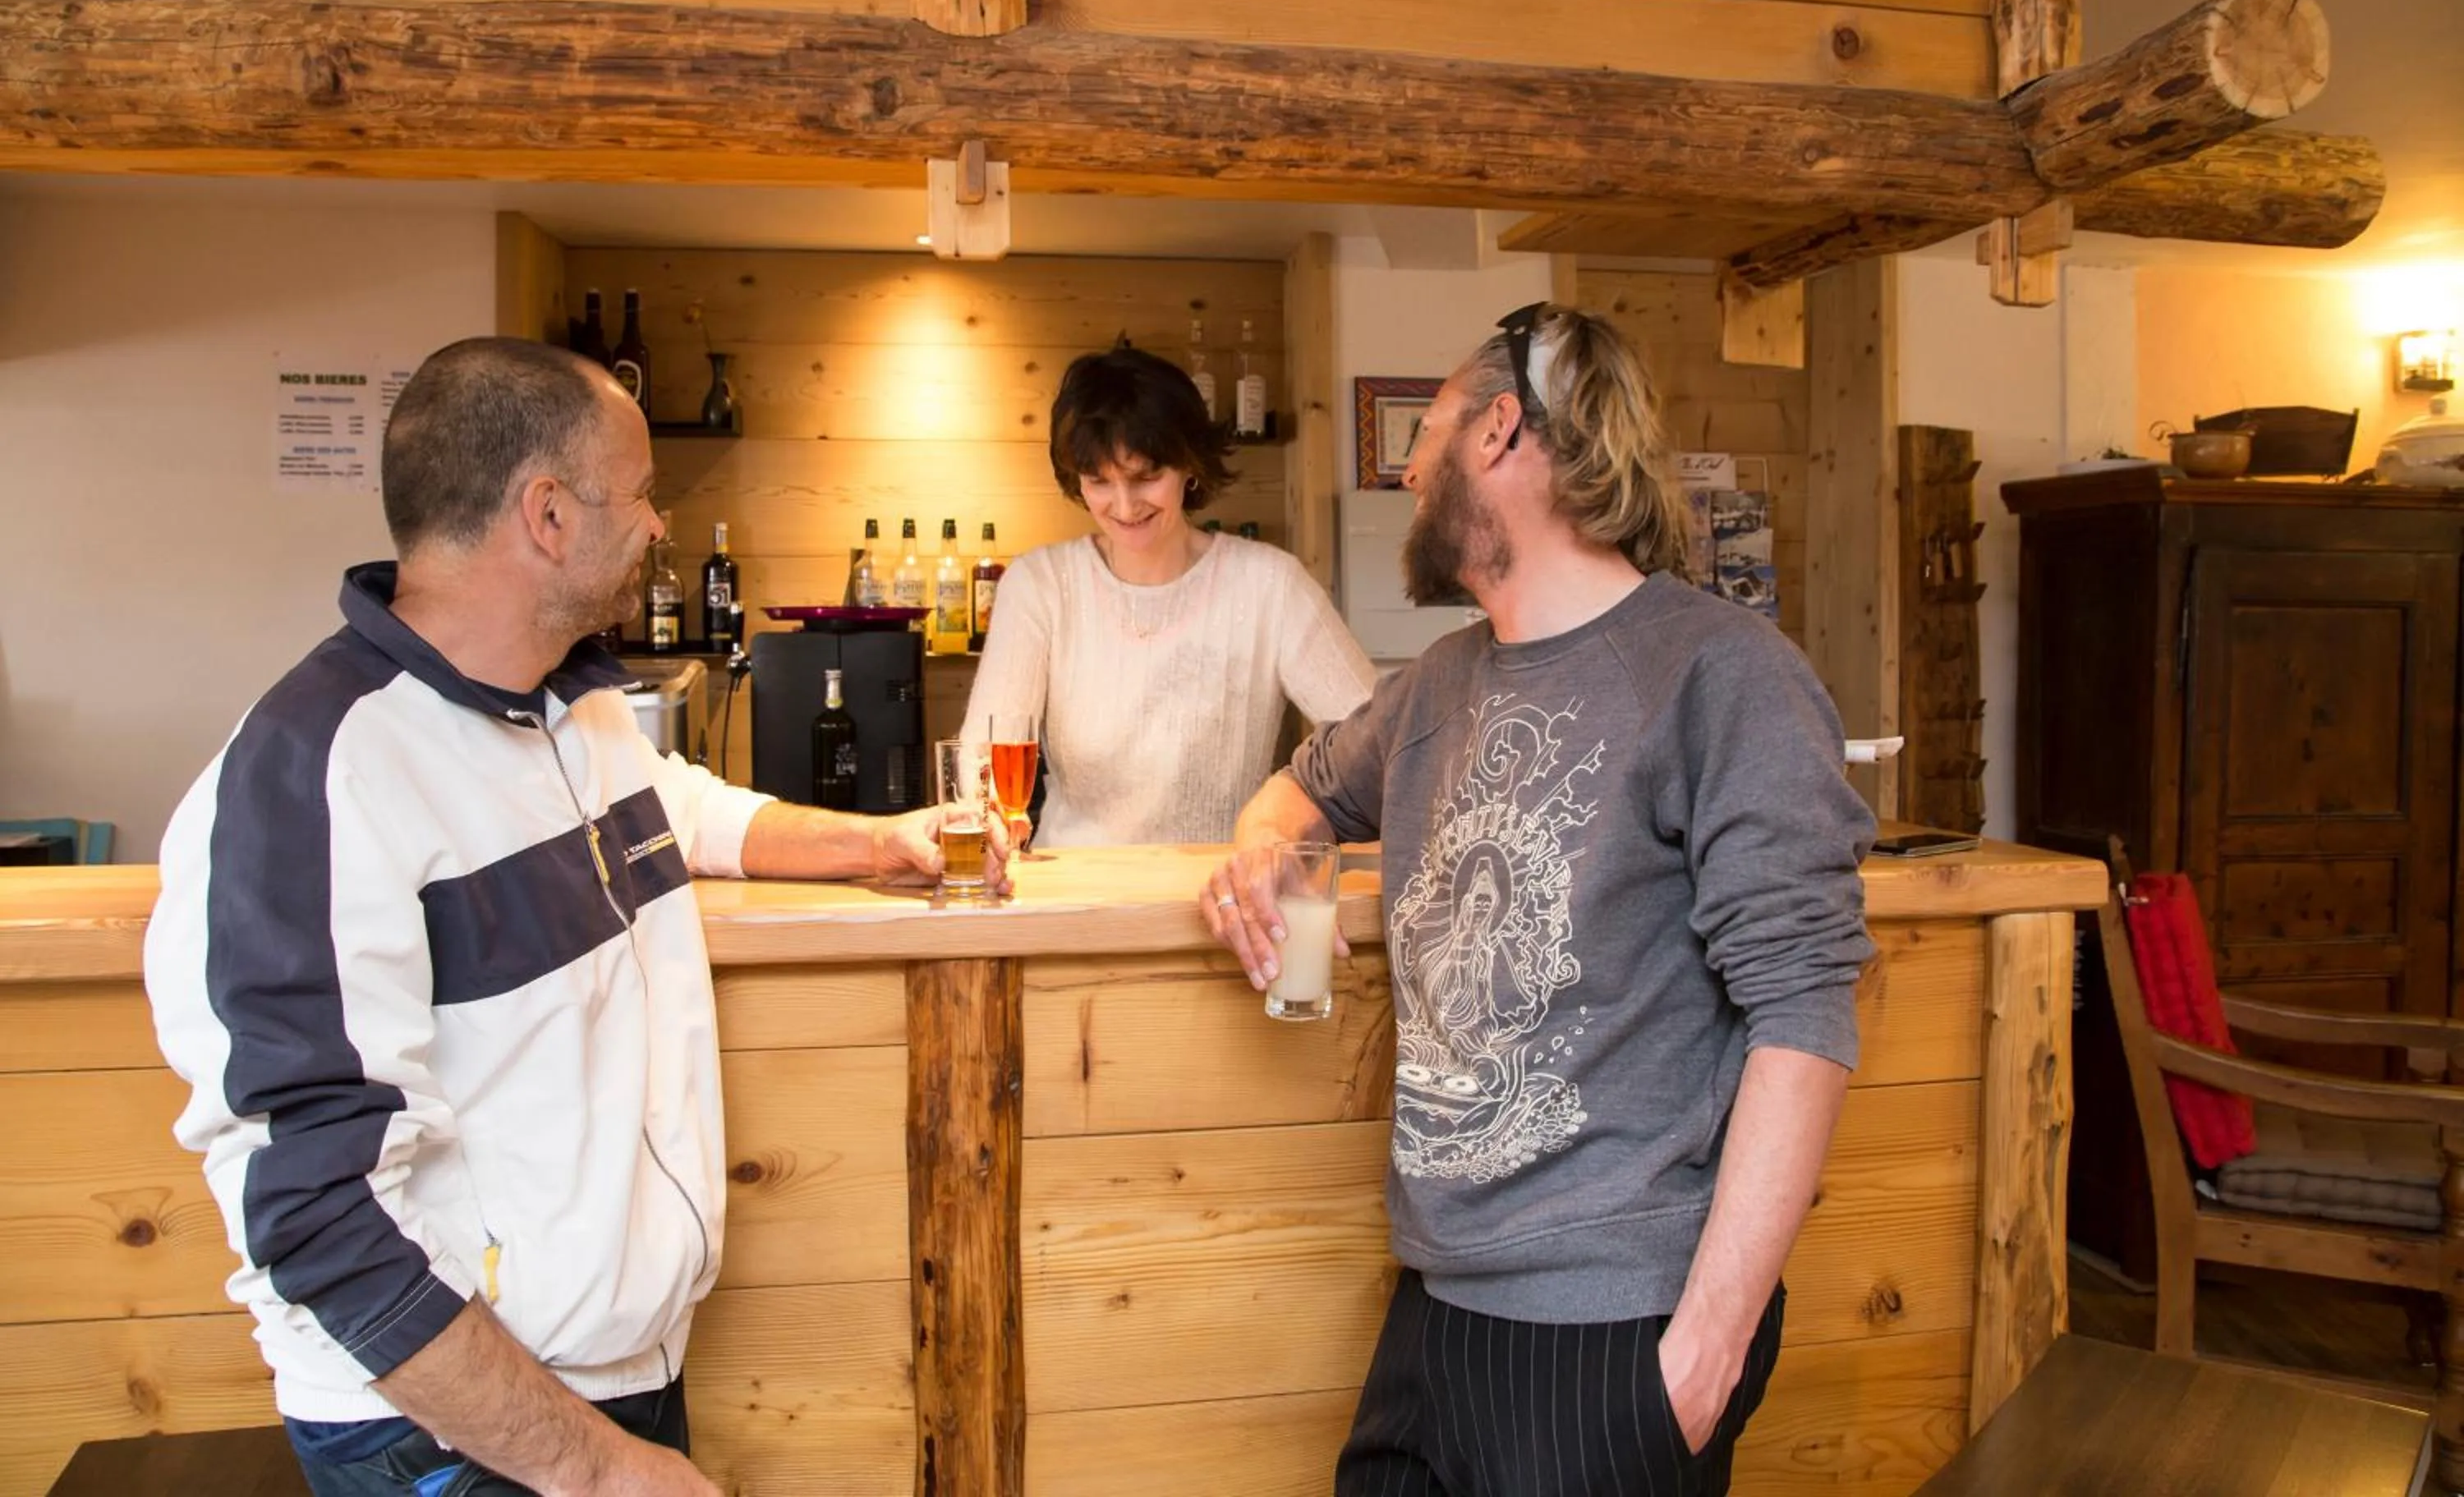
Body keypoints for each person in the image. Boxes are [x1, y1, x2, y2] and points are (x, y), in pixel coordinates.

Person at [144, 338, 1003, 1497]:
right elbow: (319, 1220)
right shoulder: (316, 778)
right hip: (461, 1433)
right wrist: (596, 1471)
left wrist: (871, 842)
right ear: (548, 514)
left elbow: (684, 813)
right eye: (641, 495)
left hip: (604, 1380)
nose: (657, 528)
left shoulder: (570, 710)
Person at [1201, 303, 1875, 1495]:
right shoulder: (1437, 686)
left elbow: (1804, 1018)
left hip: (1617, 1326)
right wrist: (1260, 850)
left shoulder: (1724, 675)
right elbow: (1298, 793)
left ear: (1502, 429)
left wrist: (1704, 1357)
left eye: (1432, 431)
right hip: (1435, 1307)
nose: (1409, 466)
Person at [963, 344, 1374, 847]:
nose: (1124, 505)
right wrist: (992, 826)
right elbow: (982, 757)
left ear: (1189, 465)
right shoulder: (1041, 585)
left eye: (1146, 477)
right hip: (1076, 897)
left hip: (1227, 899)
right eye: (1099, 482)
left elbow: (1376, 743)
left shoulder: (1270, 585)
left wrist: (1297, 819)